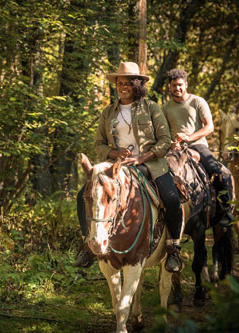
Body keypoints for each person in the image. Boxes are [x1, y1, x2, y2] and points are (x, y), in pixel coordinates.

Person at [74, 62, 184, 273]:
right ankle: (87, 245)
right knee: (83, 195)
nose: (123, 86)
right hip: (116, 166)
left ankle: (173, 249)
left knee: (171, 197)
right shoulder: (108, 112)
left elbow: (164, 140)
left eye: (128, 83)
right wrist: (116, 154)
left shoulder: (151, 107)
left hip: (150, 164)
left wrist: (142, 158)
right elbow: (99, 144)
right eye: (120, 83)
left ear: (137, 85)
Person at [162, 68, 234, 227]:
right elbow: (164, 132)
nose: (177, 88)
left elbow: (209, 127)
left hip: (198, 145)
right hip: (175, 149)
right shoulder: (166, 108)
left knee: (221, 172)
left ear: (186, 84)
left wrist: (189, 137)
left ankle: (225, 210)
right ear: (169, 86)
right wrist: (171, 143)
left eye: (180, 85)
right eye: (174, 85)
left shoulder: (197, 101)